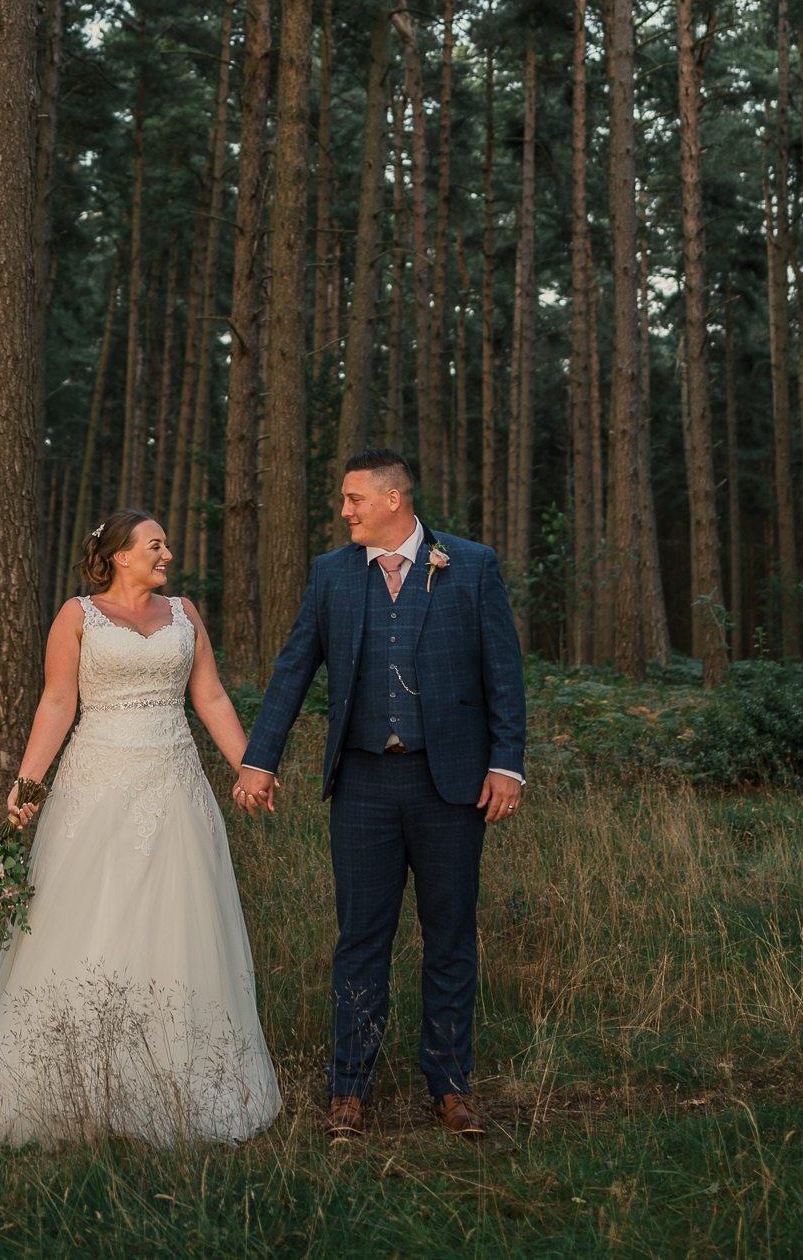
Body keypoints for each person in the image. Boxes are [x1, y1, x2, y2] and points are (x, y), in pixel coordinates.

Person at [0, 511, 280, 1146]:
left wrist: (250, 767)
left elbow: (213, 697)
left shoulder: (185, 615)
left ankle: (176, 1078)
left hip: (173, 784)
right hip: (97, 784)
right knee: (90, 916)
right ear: (119, 556)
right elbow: (58, 701)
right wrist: (28, 784)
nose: (167, 553)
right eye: (155, 544)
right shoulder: (77, 616)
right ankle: (67, 1079)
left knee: (177, 920)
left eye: (165, 543)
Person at [234, 449, 525, 1142]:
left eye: (352, 498)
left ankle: (450, 1085)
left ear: (393, 500)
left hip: (450, 784)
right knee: (361, 937)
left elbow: (503, 673)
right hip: (362, 783)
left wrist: (506, 767)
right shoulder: (332, 575)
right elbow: (293, 668)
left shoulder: (471, 565)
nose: (343, 511)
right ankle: (348, 1090)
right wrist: (258, 760)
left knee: (449, 936)